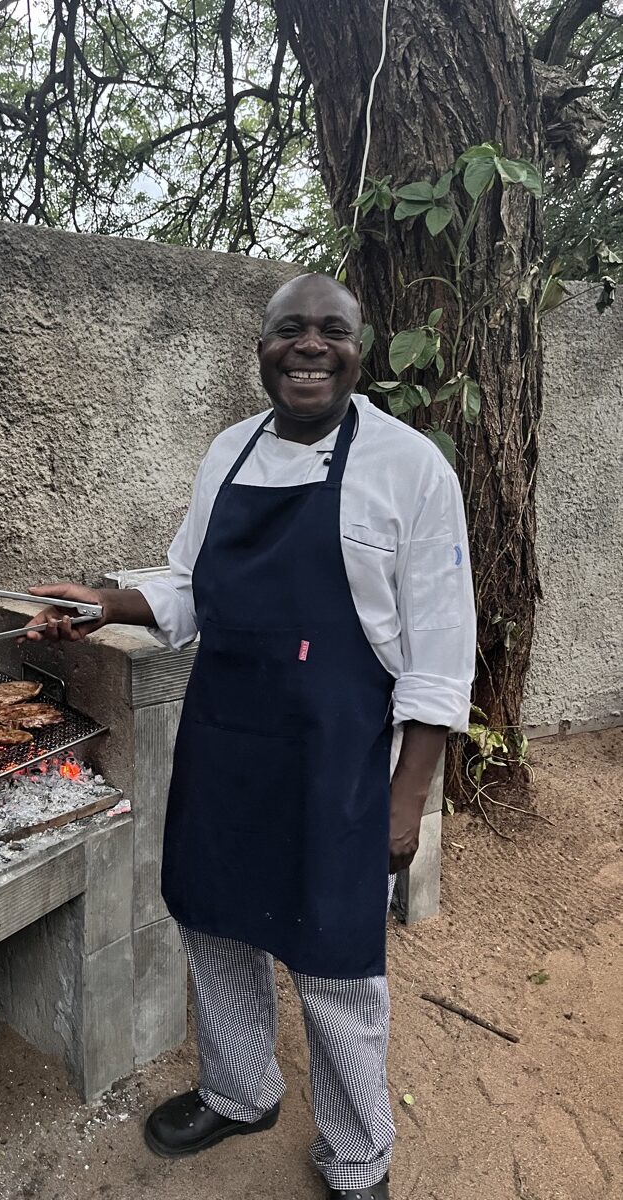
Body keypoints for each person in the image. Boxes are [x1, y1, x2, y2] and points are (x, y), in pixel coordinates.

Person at [24, 273, 476, 1199]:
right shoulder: (229, 451)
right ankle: (241, 1091)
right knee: (215, 923)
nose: (310, 346)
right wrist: (104, 603)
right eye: (289, 330)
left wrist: (407, 799)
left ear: (360, 348)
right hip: (226, 740)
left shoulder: (410, 467)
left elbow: (441, 653)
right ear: (262, 346)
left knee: (335, 957)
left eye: (332, 331)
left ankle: (358, 1157)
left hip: (337, 754)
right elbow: (189, 590)